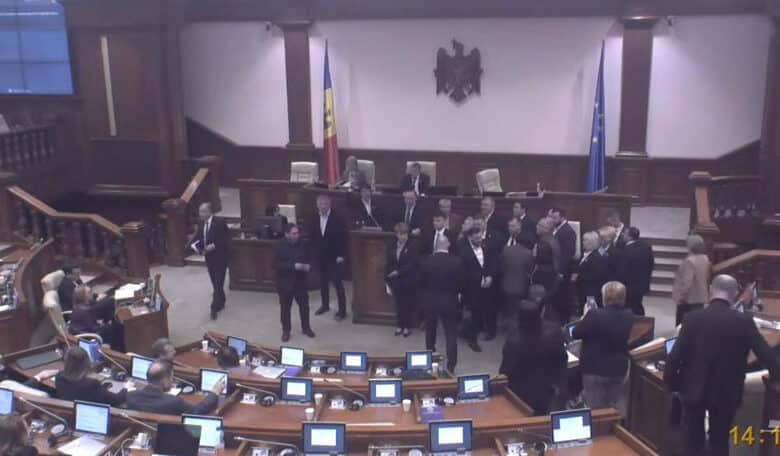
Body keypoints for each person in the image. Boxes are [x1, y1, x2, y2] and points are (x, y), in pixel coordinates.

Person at [665, 275, 780, 456]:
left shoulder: (692, 318)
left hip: (693, 390)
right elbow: (767, 356)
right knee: (719, 443)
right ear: (734, 294)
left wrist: (674, 385)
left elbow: (674, 357)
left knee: (692, 444)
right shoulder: (743, 322)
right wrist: (775, 377)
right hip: (726, 393)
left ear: (711, 289)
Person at [572, 281, 634, 410]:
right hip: (618, 369)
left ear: (605, 297)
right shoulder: (629, 315)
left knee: (595, 410)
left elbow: (576, 333)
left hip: (594, 369)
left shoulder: (594, 315)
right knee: (613, 408)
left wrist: (584, 317)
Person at [499, 299, 567, 415]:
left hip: (521, 390)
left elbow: (507, 369)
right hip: (546, 386)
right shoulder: (554, 331)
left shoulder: (514, 340)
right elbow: (562, 359)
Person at [27, 346, 130, 406]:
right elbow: (116, 400)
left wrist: (57, 371)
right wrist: (126, 388)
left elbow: (66, 373)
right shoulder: (91, 384)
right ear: (86, 363)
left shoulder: (59, 378)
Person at [419, 234, 463, 372]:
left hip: (430, 300)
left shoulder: (426, 261)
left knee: (430, 331)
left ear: (435, 245)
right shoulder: (457, 261)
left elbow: (421, 283)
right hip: (449, 301)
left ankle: (430, 358)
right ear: (448, 245)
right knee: (450, 333)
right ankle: (451, 365)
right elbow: (461, 283)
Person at [127, 360, 224, 415]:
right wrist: (214, 393)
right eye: (171, 378)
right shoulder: (173, 402)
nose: (172, 381)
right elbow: (196, 412)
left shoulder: (131, 396)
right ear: (164, 380)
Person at [458, 226, 498, 350]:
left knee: (486, 310)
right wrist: (479, 279)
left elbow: (492, 263)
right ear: (470, 237)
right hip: (471, 288)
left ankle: (486, 330)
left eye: (480, 237)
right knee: (473, 314)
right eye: (476, 238)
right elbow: (463, 272)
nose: (479, 240)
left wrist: (490, 276)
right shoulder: (463, 252)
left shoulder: (486, 247)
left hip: (487, 287)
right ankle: (472, 340)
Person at [308, 195, 348, 320]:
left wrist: (342, 255)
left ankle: (342, 311)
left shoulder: (338, 218)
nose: (323, 206)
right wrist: (313, 254)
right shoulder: (314, 217)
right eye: (320, 204)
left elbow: (344, 238)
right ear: (317, 205)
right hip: (320, 256)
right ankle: (325, 305)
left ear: (329, 204)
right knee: (323, 282)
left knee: (337, 283)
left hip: (334, 257)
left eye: (325, 204)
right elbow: (311, 237)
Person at [274, 224, 315, 341]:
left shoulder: (304, 244)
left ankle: (306, 328)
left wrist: (309, 266)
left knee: (304, 307)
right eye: (294, 233)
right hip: (285, 283)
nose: (297, 235)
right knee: (285, 309)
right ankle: (286, 331)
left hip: (300, 282)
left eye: (298, 233)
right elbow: (275, 265)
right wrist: (293, 266)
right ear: (287, 234)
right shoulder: (279, 246)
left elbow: (311, 258)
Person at [192, 202, 229, 320]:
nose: (200, 214)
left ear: (209, 212)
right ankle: (222, 300)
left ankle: (214, 308)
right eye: (200, 211)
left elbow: (225, 240)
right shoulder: (201, 223)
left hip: (220, 258)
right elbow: (200, 238)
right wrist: (198, 248)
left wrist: (211, 247)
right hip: (209, 259)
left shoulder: (219, 222)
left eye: (203, 211)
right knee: (215, 283)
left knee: (217, 284)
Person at [385, 223, 419, 337]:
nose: (402, 236)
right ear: (396, 234)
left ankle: (407, 327)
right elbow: (388, 262)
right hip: (395, 280)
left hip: (407, 279)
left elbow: (413, 263)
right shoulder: (391, 245)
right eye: (400, 234)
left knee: (407, 304)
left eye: (404, 234)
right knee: (398, 304)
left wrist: (399, 272)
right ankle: (399, 325)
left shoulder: (413, 246)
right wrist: (388, 275)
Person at [672, 234, 711, 326]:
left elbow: (687, 282)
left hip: (688, 300)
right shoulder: (705, 258)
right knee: (696, 324)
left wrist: (680, 297)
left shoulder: (689, 261)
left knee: (682, 326)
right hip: (700, 297)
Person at [69, 286, 124, 351]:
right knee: (117, 328)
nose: (92, 293)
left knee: (114, 325)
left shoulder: (79, 306)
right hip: (89, 336)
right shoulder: (85, 310)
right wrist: (104, 325)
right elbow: (94, 328)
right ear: (83, 296)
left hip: (87, 331)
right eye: (89, 292)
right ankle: (119, 351)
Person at [615, 227, 654, 316]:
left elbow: (622, 270)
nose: (622, 235)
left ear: (629, 237)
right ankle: (642, 321)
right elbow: (651, 264)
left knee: (631, 307)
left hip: (629, 285)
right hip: (642, 283)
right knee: (638, 305)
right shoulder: (646, 247)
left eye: (624, 234)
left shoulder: (626, 251)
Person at [500, 224, 534, 315]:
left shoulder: (506, 250)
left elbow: (502, 266)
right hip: (520, 286)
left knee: (507, 310)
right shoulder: (528, 254)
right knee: (517, 311)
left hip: (505, 285)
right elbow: (530, 270)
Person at [574, 231, 609, 311]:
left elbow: (596, 275)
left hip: (591, 292)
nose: (582, 242)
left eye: (585, 240)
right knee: (584, 310)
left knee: (590, 312)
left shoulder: (597, 257)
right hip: (584, 290)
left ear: (591, 242)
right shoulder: (585, 254)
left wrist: (578, 276)